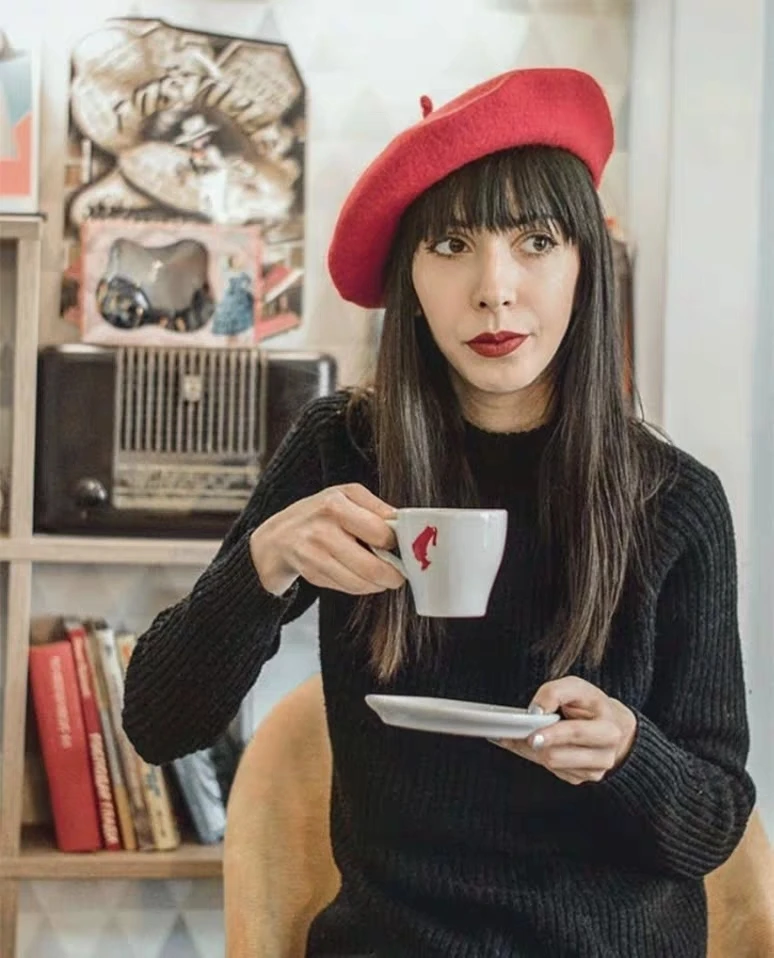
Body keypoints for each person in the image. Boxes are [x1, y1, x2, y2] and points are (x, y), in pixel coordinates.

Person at [123, 68, 756, 957]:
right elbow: (158, 724)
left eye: (536, 241)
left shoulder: (675, 501)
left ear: (586, 265)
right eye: (453, 244)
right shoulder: (345, 449)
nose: (495, 288)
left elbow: (713, 823)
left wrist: (627, 754)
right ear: (410, 280)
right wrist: (264, 562)